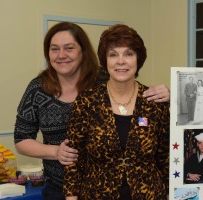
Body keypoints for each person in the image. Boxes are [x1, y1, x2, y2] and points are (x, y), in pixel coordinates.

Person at [13, 22, 170, 200]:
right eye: (54, 49)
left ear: (83, 51)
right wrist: (57, 152)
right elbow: (21, 138)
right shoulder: (41, 90)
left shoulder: (104, 78)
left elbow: (165, 156)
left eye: (69, 48)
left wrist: (168, 95)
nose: (61, 55)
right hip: (64, 184)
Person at [63, 24, 170, 199]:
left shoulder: (154, 103)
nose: (121, 61)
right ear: (105, 61)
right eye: (113, 54)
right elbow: (73, 160)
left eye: (128, 54)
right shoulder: (86, 102)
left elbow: (165, 159)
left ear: (138, 59)